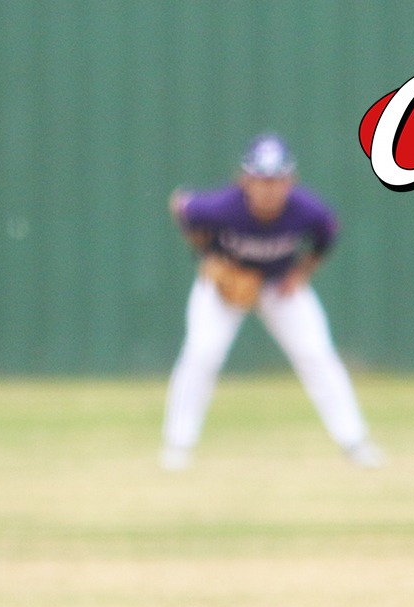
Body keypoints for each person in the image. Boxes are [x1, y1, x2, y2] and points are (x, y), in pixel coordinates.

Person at [160, 133, 383, 470]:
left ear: (290, 181)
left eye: (277, 180)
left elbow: (327, 234)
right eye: (261, 179)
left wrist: (302, 272)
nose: (269, 188)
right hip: (224, 287)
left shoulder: (308, 211)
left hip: (279, 286)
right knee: (202, 353)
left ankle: (355, 442)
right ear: (244, 180)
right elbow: (180, 204)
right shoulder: (222, 207)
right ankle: (177, 446)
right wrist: (206, 255)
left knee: (317, 355)